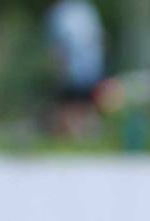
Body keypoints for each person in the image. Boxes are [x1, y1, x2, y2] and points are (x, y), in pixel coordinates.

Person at [45, 0, 104, 137]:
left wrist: (57, 70)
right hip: (93, 67)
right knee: (87, 105)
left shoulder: (59, 12)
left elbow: (60, 45)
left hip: (72, 68)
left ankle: (75, 135)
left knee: (68, 106)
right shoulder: (86, 8)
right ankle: (89, 134)